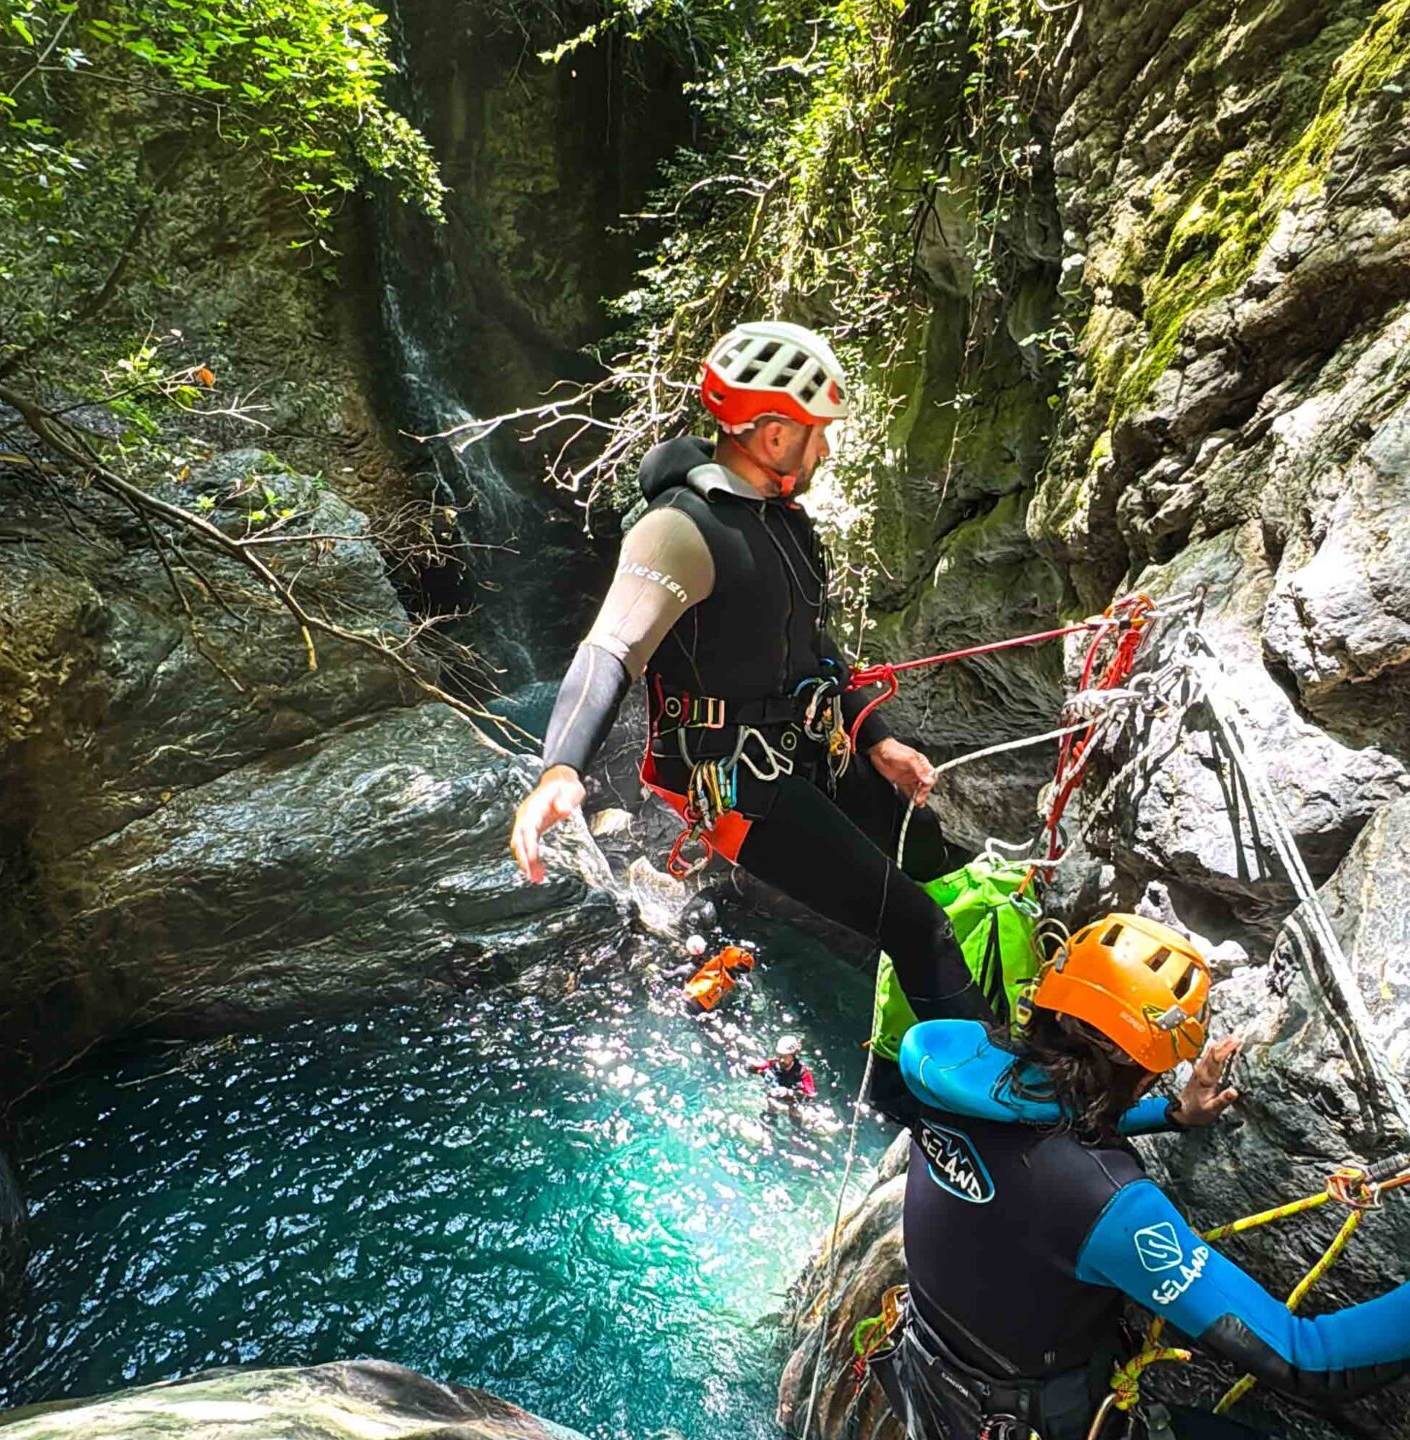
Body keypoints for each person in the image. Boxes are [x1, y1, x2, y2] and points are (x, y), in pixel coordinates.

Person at [510, 319, 988, 1036]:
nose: (825, 446)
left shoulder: (778, 520)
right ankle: (1000, 1101)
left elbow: (809, 647)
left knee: (926, 848)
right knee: (917, 926)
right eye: (817, 430)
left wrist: (877, 739)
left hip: (803, 748)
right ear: (772, 436)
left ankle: (961, 997)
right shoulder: (679, 528)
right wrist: (560, 770)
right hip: (736, 784)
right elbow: (609, 648)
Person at [870, 912, 1410, 1440]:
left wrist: (1170, 1115)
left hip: (940, 1378)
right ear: (1147, 1065)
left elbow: (1038, 1117)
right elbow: (1309, 1360)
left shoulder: (952, 1081)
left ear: (1049, 1003)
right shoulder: (1109, 1204)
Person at [747, 1034, 817, 1107]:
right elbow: (752, 1068)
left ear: (793, 1055)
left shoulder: (803, 1073)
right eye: (780, 1056)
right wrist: (753, 1066)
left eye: (785, 1056)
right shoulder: (771, 1064)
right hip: (772, 1098)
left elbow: (811, 1095)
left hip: (791, 1102)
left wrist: (789, 1093)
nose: (781, 1060)